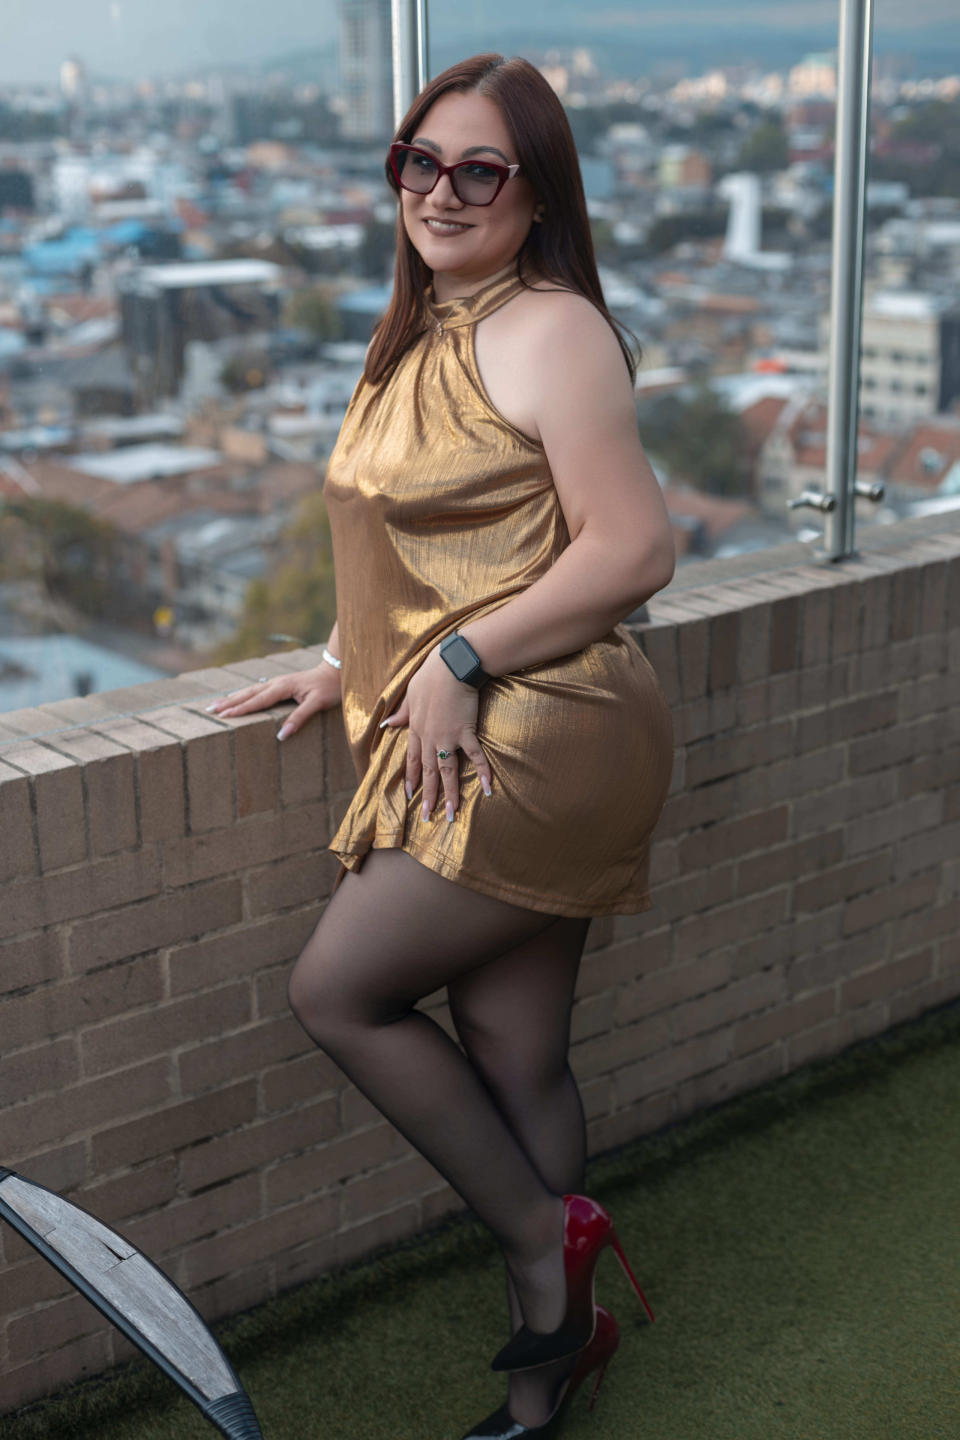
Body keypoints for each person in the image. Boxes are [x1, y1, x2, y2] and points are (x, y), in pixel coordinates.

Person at [208, 52, 675, 1440]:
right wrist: (342, 658)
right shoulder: (414, 331)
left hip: (544, 725)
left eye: (481, 168)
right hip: (475, 720)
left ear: (538, 194)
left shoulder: (554, 331)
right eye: (420, 161)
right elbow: (415, 543)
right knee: (516, 1053)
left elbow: (634, 548)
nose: (442, 190)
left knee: (338, 992)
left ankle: (546, 1243)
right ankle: (543, 1390)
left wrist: (460, 662)